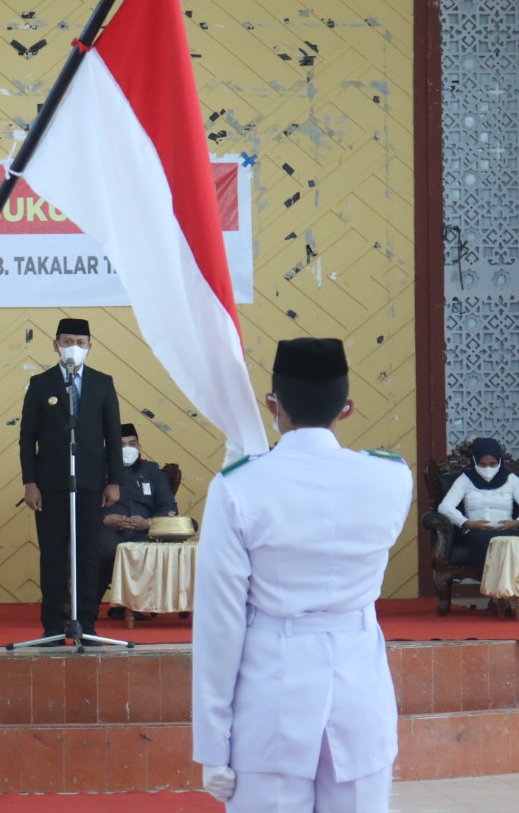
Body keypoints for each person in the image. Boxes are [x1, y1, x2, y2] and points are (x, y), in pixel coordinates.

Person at [192, 337, 412, 812]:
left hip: (273, 690)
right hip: (360, 689)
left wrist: (213, 743)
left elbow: (219, 623)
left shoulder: (238, 486)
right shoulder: (392, 477)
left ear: (273, 405)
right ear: (347, 408)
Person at [19, 317, 124, 641]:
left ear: (89, 347)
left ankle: (87, 626)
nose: (73, 348)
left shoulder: (103, 384)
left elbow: (112, 435)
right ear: (55, 345)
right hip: (50, 485)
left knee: (87, 555)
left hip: (91, 483)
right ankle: (52, 626)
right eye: (67, 342)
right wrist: (30, 482)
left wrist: (114, 480)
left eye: (80, 342)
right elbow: (27, 438)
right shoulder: (41, 384)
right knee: (52, 554)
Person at [100, 422, 179, 620]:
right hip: (109, 529)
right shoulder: (98, 470)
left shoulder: (152, 471)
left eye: (132, 444)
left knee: (147, 551)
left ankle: (134, 605)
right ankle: (90, 607)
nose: (127, 449)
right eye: (121, 445)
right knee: (109, 550)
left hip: (143, 530)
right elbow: (83, 506)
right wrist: (106, 519)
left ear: (139, 447)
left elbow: (169, 508)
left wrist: (148, 522)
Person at [437, 437, 519, 571]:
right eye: (483, 464)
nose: (488, 468)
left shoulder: (510, 479)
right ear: (475, 461)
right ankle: (491, 587)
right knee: (485, 541)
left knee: (513, 542)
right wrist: (466, 523)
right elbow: (445, 507)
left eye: (493, 464)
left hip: (506, 530)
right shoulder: (465, 480)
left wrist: (518, 522)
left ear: (499, 461)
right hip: (477, 532)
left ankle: (510, 588)